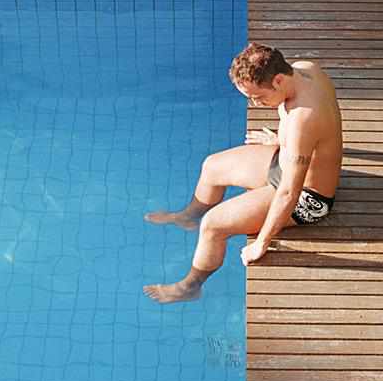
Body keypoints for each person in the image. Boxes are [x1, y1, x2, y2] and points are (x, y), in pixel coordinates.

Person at [143, 42, 343, 304]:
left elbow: (288, 193)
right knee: (212, 167)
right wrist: (282, 139)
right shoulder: (305, 70)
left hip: (308, 198)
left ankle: (190, 287)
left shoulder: (303, 121)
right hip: (286, 161)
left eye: (258, 97)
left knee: (213, 225)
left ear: (278, 80)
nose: (256, 104)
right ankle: (188, 217)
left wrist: (261, 242)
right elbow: (319, 128)